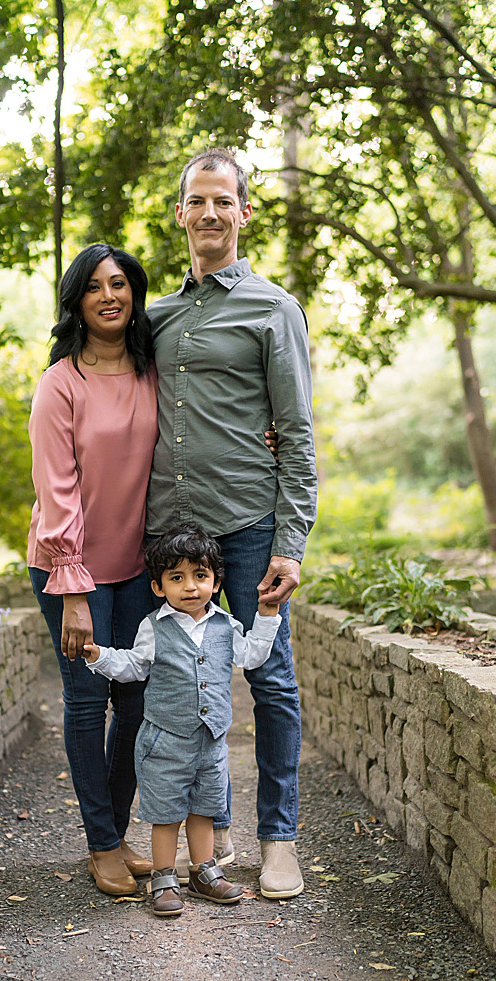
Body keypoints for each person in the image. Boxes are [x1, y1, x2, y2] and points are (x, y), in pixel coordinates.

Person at [146, 147, 319, 901]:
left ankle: (278, 842)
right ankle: (178, 848)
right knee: (165, 680)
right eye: (198, 200)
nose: (210, 212)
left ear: (245, 213)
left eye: (225, 200)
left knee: (270, 677)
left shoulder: (272, 308)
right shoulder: (154, 316)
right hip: (167, 530)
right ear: (179, 213)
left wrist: (291, 541)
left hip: (248, 524)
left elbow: (298, 431)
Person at [28, 243, 164, 897]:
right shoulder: (60, 385)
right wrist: (74, 591)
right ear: (76, 301)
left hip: (138, 567)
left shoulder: (152, 369)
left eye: (120, 283)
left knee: (137, 704)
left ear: (134, 293)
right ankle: (101, 843)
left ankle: (115, 827)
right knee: (88, 703)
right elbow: (57, 493)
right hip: (68, 569)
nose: (110, 295)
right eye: (94, 287)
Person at [84, 527, 275, 915]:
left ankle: (204, 872)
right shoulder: (154, 627)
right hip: (165, 739)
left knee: (205, 806)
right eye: (177, 578)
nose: (190, 587)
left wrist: (268, 616)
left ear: (215, 581)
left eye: (200, 576)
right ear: (158, 587)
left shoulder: (226, 625)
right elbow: (133, 666)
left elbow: (252, 657)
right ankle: (164, 877)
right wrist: (98, 656)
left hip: (211, 739)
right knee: (166, 811)